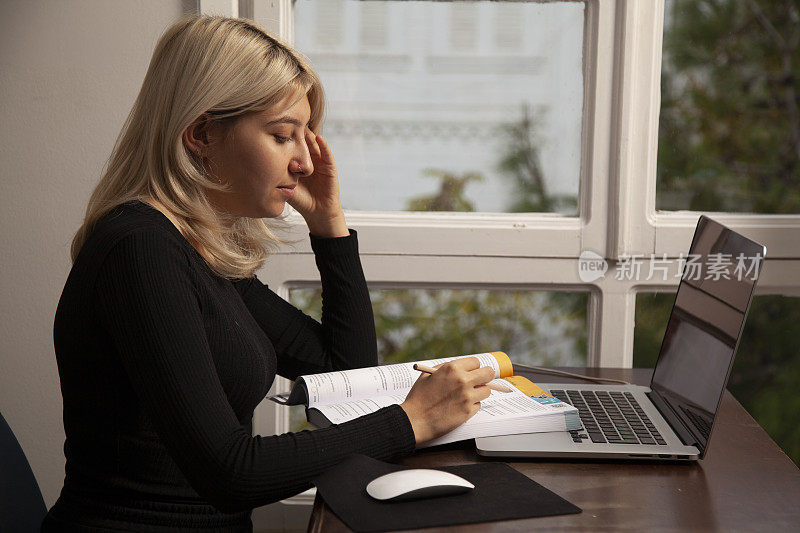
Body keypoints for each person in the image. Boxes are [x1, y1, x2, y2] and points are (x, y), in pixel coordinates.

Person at [42, 15, 495, 532]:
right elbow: (231, 472)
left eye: (307, 135)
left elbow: (344, 374)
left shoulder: (198, 249)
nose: (306, 160)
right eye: (283, 135)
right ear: (201, 134)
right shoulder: (140, 250)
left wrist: (330, 228)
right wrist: (411, 422)